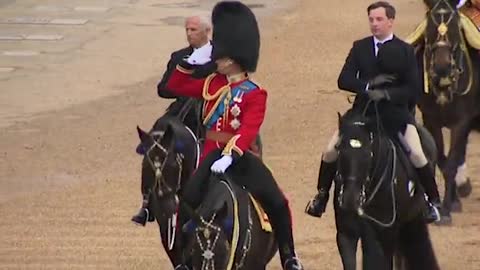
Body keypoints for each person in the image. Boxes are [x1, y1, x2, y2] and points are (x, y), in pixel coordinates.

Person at [163, 2, 304, 269]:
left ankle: (289, 255)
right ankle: (181, 259)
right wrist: (187, 64)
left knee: (276, 201)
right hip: (210, 154)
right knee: (187, 201)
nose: (215, 59)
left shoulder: (254, 92)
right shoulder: (212, 84)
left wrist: (230, 155)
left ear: (231, 60)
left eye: (220, 56)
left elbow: (248, 128)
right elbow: (174, 85)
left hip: (239, 158)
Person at [305, 1, 442, 223]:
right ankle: (321, 196)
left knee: (417, 153)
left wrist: (387, 95)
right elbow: (344, 79)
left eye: (379, 20)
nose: (374, 24)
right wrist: (368, 87)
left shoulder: (406, 51)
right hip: (363, 113)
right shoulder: (360, 47)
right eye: (371, 20)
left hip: (395, 115)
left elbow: (413, 89)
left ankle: (431, 200)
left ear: (390, 21)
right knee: (330, 150)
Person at [131, 15, 212, 226]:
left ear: (207, 31)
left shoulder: (219, 56)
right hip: (181, 108)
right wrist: (184, 87)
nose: (189, 34)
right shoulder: (179, 57)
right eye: (187, 29)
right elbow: (163, 88)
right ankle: (147, 202)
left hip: (208, 107)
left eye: (193, 29)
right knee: (154, 141)